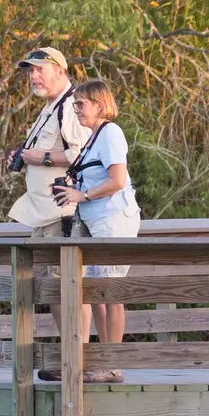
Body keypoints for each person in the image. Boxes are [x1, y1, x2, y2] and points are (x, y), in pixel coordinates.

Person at [55, 78, 139, 383]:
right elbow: (93, 176)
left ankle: (113, 365)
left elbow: (117, 179)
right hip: (95, 224)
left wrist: (83, 195)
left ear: (99, 105)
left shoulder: (111, 133)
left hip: (114, 222)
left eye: (80, 104)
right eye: (74, 104)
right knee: (96, 291)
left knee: (110, 293)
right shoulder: (93, 137)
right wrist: (71, 188)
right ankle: (102, 363)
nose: (76, 109)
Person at [5, 47, 87, 230]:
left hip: (63, 216)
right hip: (42, 216)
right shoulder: (50, 107)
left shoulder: (71, 106)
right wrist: (22, 156)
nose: (34, 77)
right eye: (31, 71)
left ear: (60, 71)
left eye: (41, 70)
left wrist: (43, 158)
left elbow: (84, 155)